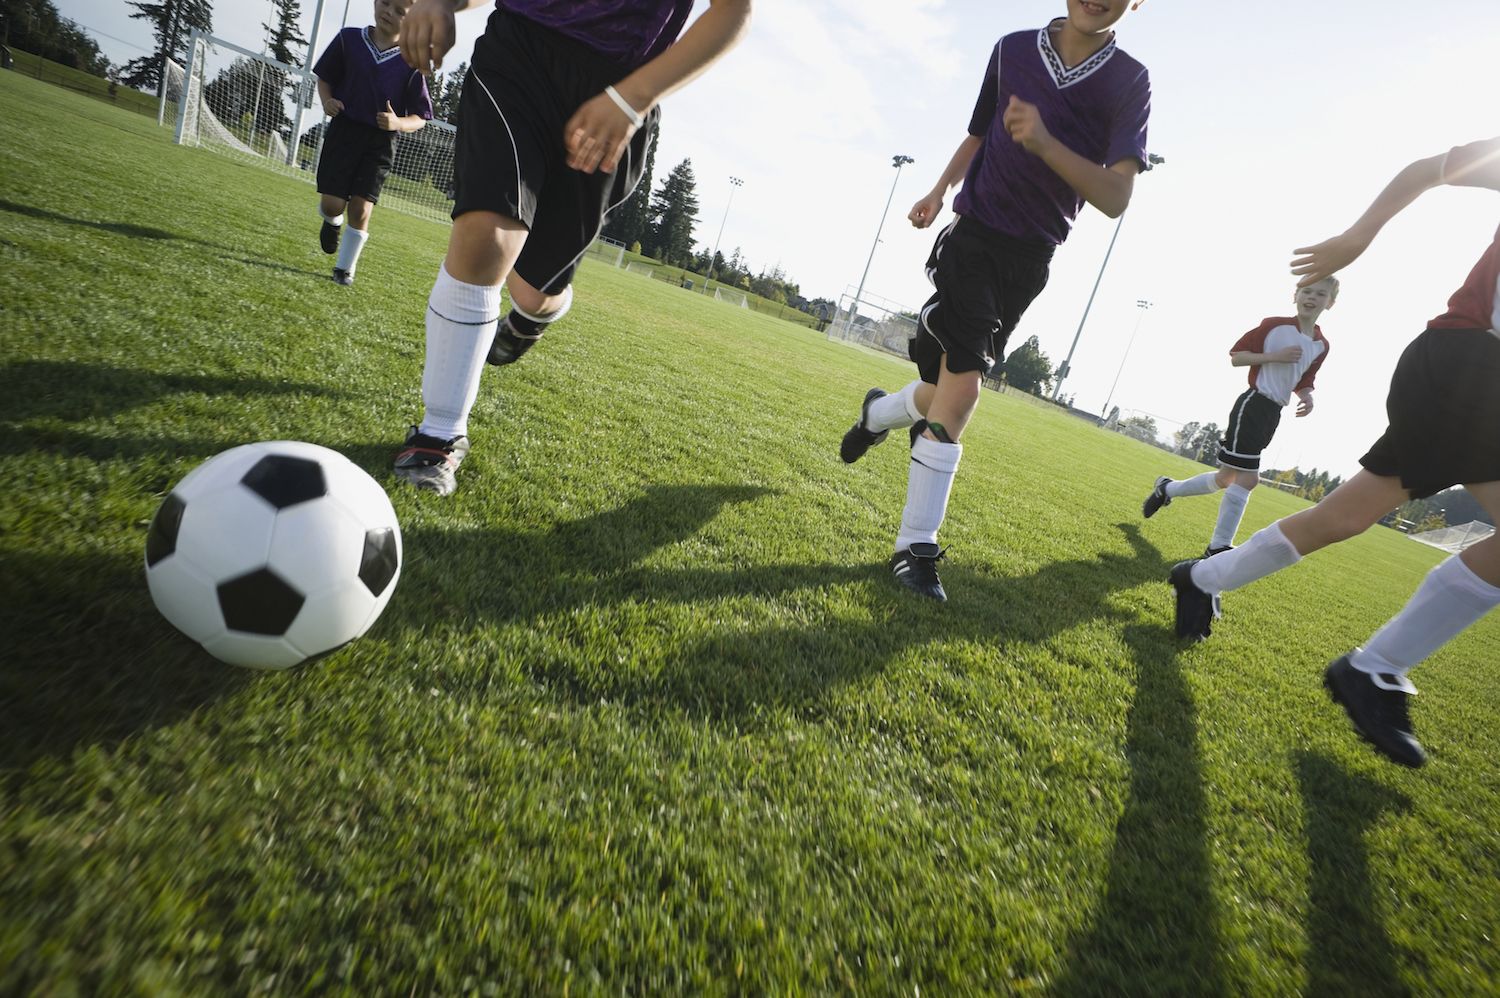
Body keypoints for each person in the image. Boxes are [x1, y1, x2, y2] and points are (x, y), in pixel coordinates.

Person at [1170, 137, 1500, 768]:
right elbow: (1431, 168)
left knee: (1341, 519)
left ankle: (1201, 576)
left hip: (1464, 375)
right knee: (1245, 479)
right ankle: (1376, 668)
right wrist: (1357, 235)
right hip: (1468, 362)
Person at [838, 0, 1151, 601]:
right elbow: (979, 133)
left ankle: (877, 414)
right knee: (964, 390)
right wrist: (936, 190)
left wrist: (1044, 143)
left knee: (943, 393)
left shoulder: (1130, 80)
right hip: (973, 240)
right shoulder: (1010, 47)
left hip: (1032, 261)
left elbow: (1115, 196)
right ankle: (915, 547)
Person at [390, 0, 751, 495]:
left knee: (532, 288)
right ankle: (439, 433)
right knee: (488, 239)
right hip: (518, 52)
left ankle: (540, 312)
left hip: (621, 89)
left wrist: (632, 100)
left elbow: (736, 12)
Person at [1142, 276, 1338, 559]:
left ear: (1330, 303)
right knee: (1247, 479)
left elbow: (1305, 378)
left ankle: (1167, 488)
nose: (1311, 297)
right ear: (1295, 295)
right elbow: (1237, 356)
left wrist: (1307, 396)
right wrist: (1274, 356)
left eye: (1320, 294)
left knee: (1226, 478)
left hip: (1273, 413)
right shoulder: (1274, 325)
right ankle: (1218, 547)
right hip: (1252, 405)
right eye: (1306, 291)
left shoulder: (1322, 345)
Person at [313, 0, 433, 287]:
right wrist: (327, 101)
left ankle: (345, 269)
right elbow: (325, 78)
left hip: (380, 142)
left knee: (361, 208)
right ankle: (332, 222)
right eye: (385, 3)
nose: (388, 12)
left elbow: (421, 117)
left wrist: (398, 123)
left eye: (399, 10)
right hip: (344, 131)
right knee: (333, 204)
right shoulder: (348, 39)